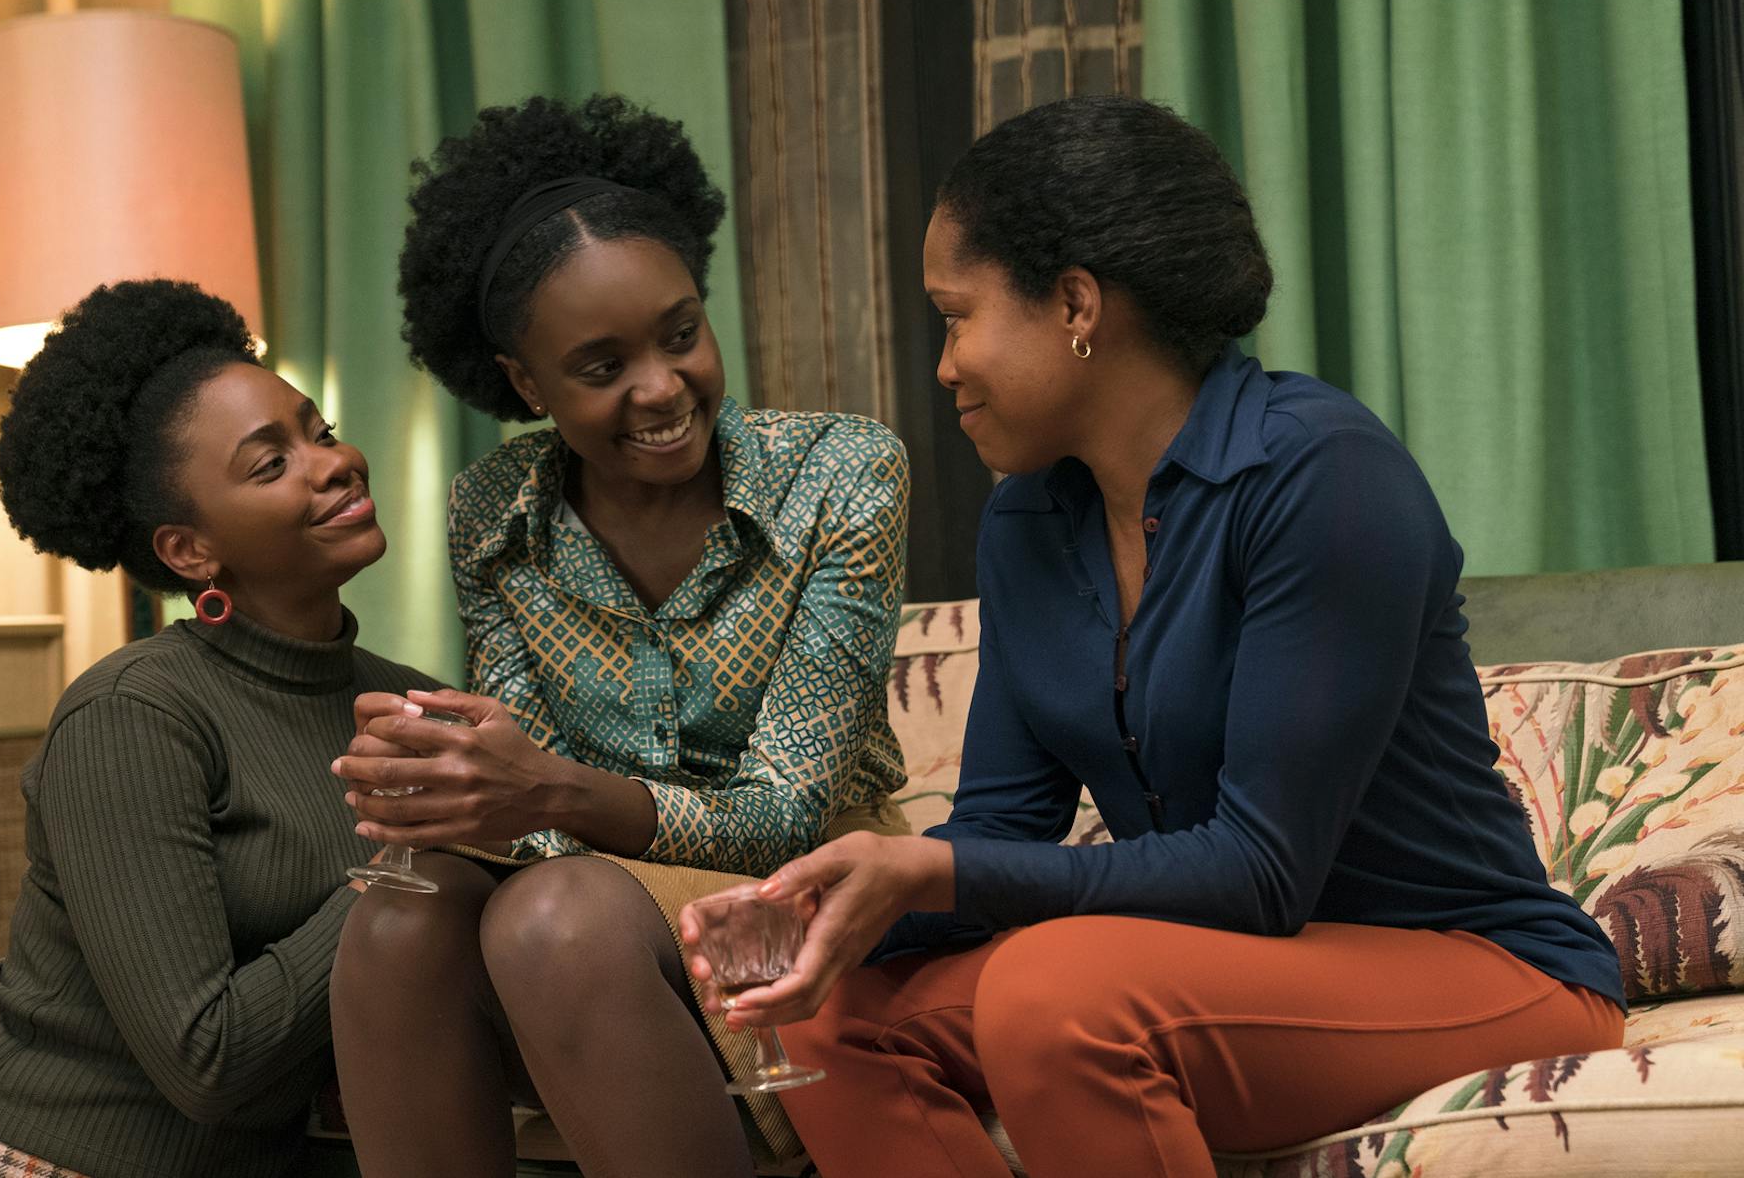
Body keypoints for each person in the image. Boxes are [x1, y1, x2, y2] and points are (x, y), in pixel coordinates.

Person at [682, 95, 1626, 1178]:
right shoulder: (1029, 521)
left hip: (1474, 966)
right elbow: (1003, 825)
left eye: (957, 314)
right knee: (832, 1012)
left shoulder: (1319, 474)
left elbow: (1262, 868)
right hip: (1230, 968)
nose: (943, 365)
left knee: (1056, 993)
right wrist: (817, 918)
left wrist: (921, 870)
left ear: (1077, 302)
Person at [326, 94, 910, 1176]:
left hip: (805, 890)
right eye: (601, 368)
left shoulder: (841, 471)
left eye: (681, 333)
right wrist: (450, 776)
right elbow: (525, 794)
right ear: (525, 383)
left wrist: (541, 790)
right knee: (400, 918)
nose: (662, 387)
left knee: (555, 917)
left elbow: (786, 811)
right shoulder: (493, 510)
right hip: (582, 888)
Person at [0, 279, 437, 1178]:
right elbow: (209, 1058)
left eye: (317, 430)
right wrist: (405, 862)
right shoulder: (132, 715)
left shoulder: (410, 706)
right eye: (270, 463)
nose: (335, 461)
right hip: (1, 1156)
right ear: (189, 550)